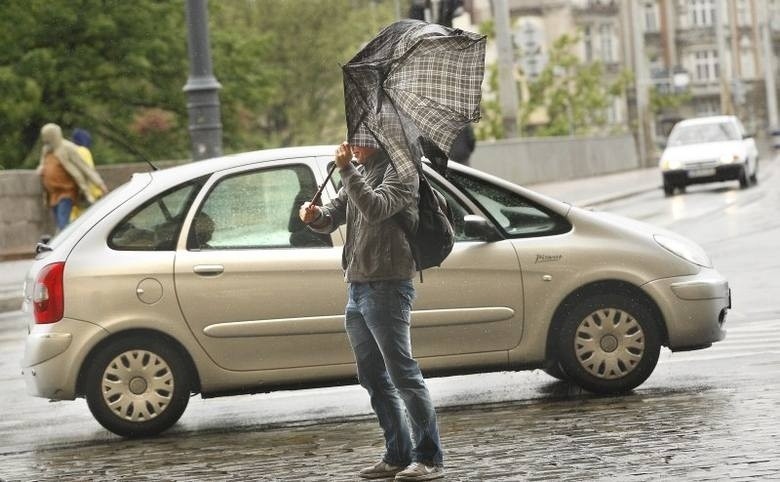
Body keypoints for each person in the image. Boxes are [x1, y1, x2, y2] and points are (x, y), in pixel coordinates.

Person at [299, 138, 445, 481]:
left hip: (388, 284)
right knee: (373, 377)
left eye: (358, 139)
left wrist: (347, 169)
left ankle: (429, 459)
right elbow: (334, 214)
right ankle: (397, 454)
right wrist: (315, 215)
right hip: (357, 285)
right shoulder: (359, 170)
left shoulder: (402, 171)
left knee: (403, 375)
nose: (350, 145)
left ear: (376, 140)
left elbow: (376, 207)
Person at [36, 123, 107, 231]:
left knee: (62, 221)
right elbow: (43, 164)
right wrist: (41, 169)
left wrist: (100, 184)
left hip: (66, 191)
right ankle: (65, 239)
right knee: (60, 221)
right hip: (52, 193)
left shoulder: (67, 148)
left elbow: (85, 168)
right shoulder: (46, 150)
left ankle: (64, 243)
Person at [70, 128, 105, 221]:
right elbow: (89, 171)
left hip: (75, 194)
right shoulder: (84, 151)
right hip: (88, 193)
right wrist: (99, 189)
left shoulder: (72, 151)